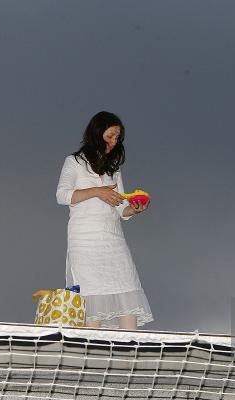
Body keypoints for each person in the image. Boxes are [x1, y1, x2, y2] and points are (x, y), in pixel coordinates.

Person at [55, 111, 154, 330]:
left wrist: (134, 209)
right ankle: (91, 355)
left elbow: (119, 208)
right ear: (97, 133)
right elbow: (62, 195)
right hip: (85, 240)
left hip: (113, 239)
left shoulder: (114, 169)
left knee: (127, 291)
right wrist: (97, 191)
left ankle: (128, 351)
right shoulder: (74, 162)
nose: (114, 141)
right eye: (110, 136)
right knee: (92, 302)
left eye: (117, 138)